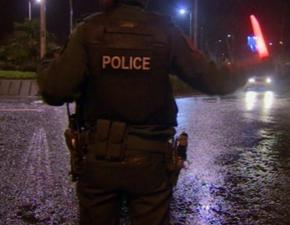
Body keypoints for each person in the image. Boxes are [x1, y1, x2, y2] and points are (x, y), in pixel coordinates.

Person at [38, 0, 263, 224]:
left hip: (98, 158)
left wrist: (48, 62)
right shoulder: (165, 30)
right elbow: (214, 81)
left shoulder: (88, 30)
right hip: (151, 160)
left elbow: (54, 91)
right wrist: (250, 67)